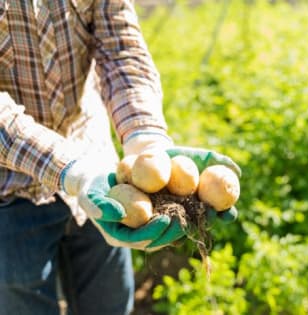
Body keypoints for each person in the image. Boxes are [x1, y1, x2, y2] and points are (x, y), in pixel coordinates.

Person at [0, 1, 240, 314]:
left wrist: (146, 138)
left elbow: (120, 47)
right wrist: (72, 171)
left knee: (110, 304)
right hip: (9, 194)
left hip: (101, 178)